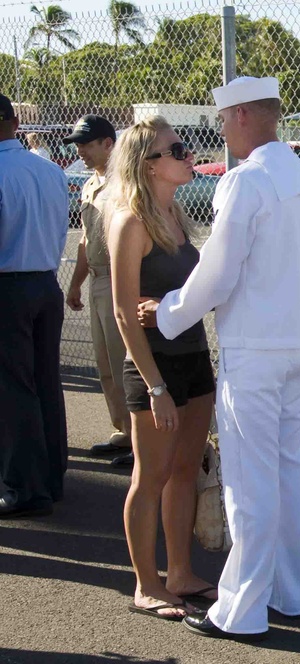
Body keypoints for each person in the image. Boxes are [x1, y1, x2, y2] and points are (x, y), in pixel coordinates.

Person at [137, 76, 300, 641]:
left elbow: (216, 275)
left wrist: (167, 312)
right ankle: (293, 590)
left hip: (256, 351)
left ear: (242, 115)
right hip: (297, 347)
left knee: (249, 483)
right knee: (288, 471)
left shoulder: (247, 183)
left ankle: (240, 610)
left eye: (222, 120)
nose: (220, 131)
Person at [104, 116, 218, 621]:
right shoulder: (131, 221)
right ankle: (146, 585)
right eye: (179, 149)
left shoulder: (176, 215)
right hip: (156, 368)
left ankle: (180, 573)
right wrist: (154, 387)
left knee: (184, 471)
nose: (189, 154)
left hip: (194, 360)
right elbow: (125, 313)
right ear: (149, 165)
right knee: (148, 477)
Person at [0, 93, 68, 520]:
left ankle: (23, 488)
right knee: (45, 381)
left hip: (8, 286)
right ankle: (50, 478)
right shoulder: (48, 169)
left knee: (12, 389)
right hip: (45, 281)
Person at [62, 115, 135, 468]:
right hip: (96, 278)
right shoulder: (92, 183)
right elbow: (86, 238)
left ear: (109, 143)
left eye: (87, 144)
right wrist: (76, 282)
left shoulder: (126, 183)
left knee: (127, 360)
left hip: (119, 278)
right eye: (78, 144)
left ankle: (142, 438)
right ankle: (123, 428)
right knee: (105, 362)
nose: (81, 151)